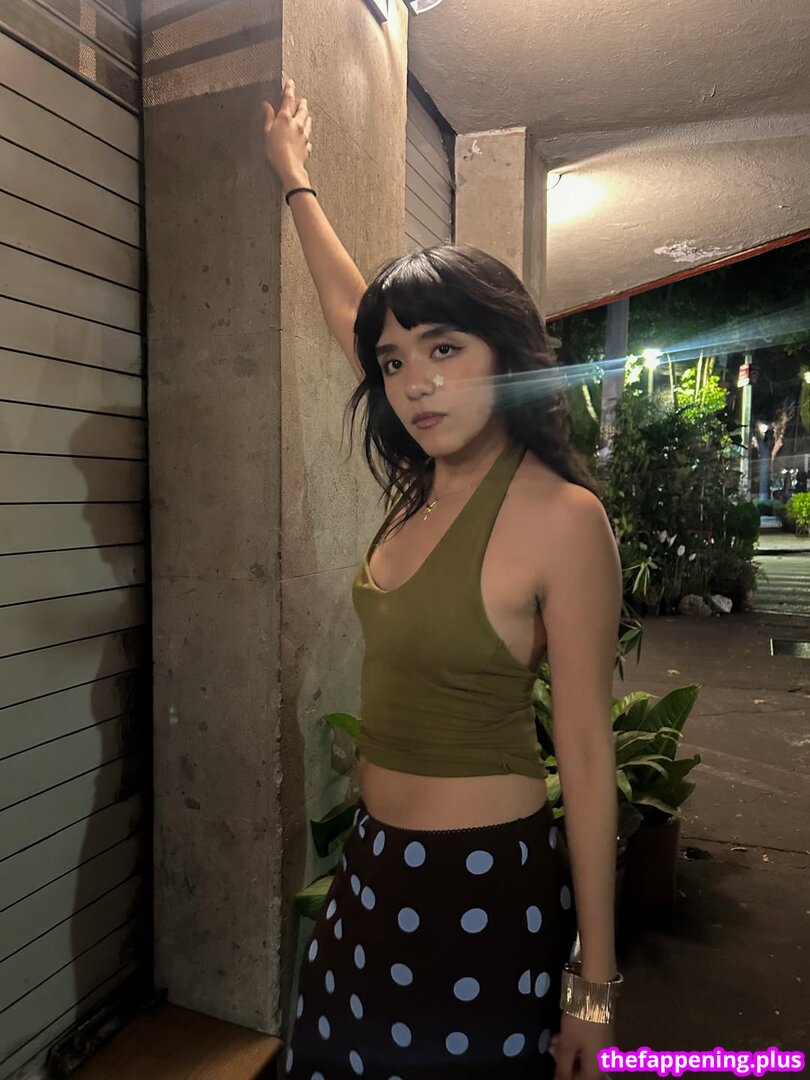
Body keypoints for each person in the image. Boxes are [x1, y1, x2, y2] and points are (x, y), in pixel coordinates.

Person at [262, 78, 623, 1080]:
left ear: (505, 355)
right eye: (393, 364)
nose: (414, 382)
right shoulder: (422, 480)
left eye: (445, 349)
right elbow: (350, 306)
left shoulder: (562, 519)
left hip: (483, 889)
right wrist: (292, 174)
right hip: (372, 869)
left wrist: (594, 985)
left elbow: (588, 756)